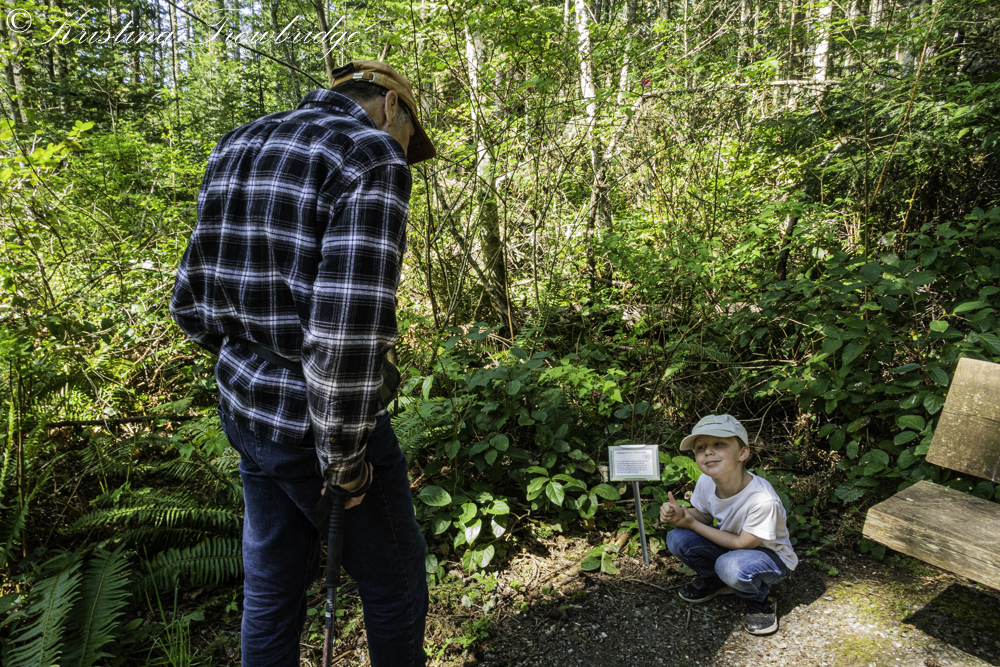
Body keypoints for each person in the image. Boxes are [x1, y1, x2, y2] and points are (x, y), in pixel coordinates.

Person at [170, 60, 435, 667]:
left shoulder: (239, 141)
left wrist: (246, 359)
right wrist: (344, 463)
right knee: (394, 580)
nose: (404, 151)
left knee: (270, 583)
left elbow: (190, 299)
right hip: (316, 427)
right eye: (408, 137)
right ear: (392, 107)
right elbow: (347, 333)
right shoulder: (370, 154)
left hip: (243, 405)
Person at [659, 414, 798, 635]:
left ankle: (759, 597)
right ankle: (717, 580)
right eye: (701, 447)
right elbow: (703, 515)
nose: (708, 452)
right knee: (677, 537)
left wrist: (691, 523)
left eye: (719, 444)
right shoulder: (707, 480)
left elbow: (743, 543)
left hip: (770, 557)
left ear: (743, 453)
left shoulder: (762, 499)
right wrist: (681, 515)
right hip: (731, 548)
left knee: (730, 566)